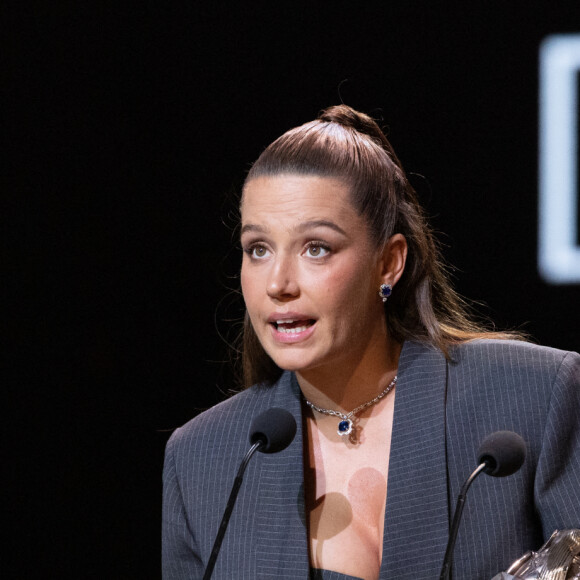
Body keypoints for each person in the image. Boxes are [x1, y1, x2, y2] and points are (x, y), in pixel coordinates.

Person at [162, 105, 580, 580]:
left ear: (389, 263)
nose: (277, 283)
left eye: (315, 247)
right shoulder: (202, 460)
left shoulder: (534, 397)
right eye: (258, 249)